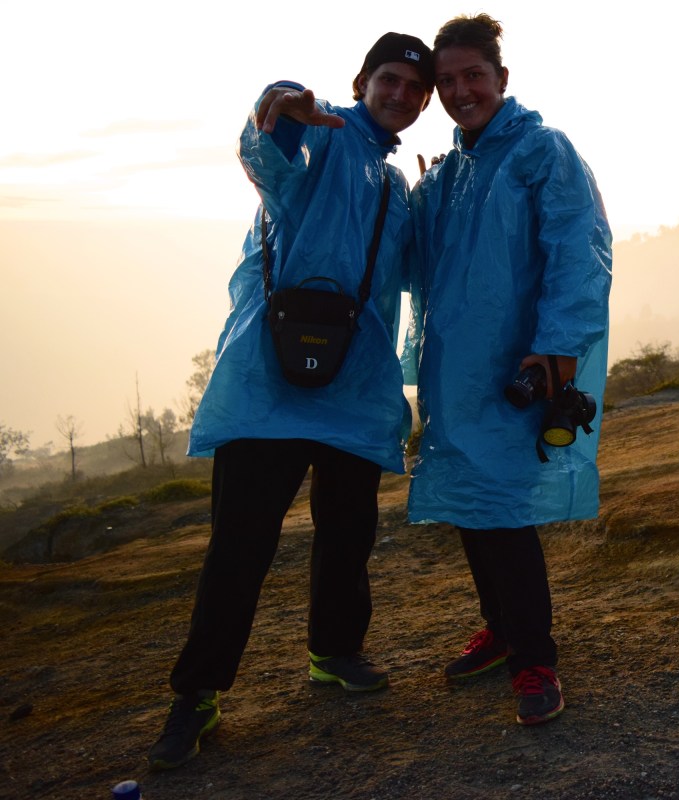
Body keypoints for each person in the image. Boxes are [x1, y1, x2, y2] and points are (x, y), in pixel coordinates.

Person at [147, 33, 433, 770]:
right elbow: (268, 157)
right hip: (269, 384)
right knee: (240, 544)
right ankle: (196, 695)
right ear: (362, 82)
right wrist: (277, 107)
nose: (400, 95)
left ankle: (334, 652)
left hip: (352, 387)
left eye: (414, 88)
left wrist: (434, 202)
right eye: (389, 80)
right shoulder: (324, 136)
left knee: (348, 533)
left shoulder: (395, 185)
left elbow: (411, 274)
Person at [405, 13, 612, 727]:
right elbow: (415, 262)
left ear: (501, 78)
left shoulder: (540, 151)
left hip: (519, 366)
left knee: (503, 511)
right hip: (455, 374)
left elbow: (579, 251)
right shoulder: (450, 174)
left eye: (474, 76)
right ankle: (499, 629)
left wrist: (556, 351)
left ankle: (534, 658)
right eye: (448, 81)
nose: (462, 91)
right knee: (472, 504)